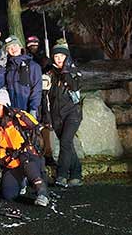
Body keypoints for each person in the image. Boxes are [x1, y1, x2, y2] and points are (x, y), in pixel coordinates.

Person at [0, 89, 49, 207]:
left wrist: (20, 115)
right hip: (11, 160)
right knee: (8, 194)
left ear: (5, 105)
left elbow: (35, 127)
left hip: (28, 155)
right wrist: (6, 155)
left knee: (25, 159)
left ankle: (42, 192)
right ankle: (22, 182)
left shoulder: (17, 117)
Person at [46, 40, 83, 187]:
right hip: (56, 115)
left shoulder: (74, 71)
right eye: (56, 56)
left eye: (62, 56)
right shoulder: (49, 73)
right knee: (67, 145)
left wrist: (66, 71)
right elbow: (46, 95)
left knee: (66, 142)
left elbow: (75, 86)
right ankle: (76, 174)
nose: (59, 58)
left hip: (72, 113)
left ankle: (61, 175)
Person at [4, 35, 43, 119]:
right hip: (12, 112)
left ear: (20, 46)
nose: (13, 49)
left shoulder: (33, 66)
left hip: (27, 110)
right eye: (9, 47)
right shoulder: (8, 67)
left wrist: (33, 109)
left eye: (14, 45)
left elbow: (37, 89)